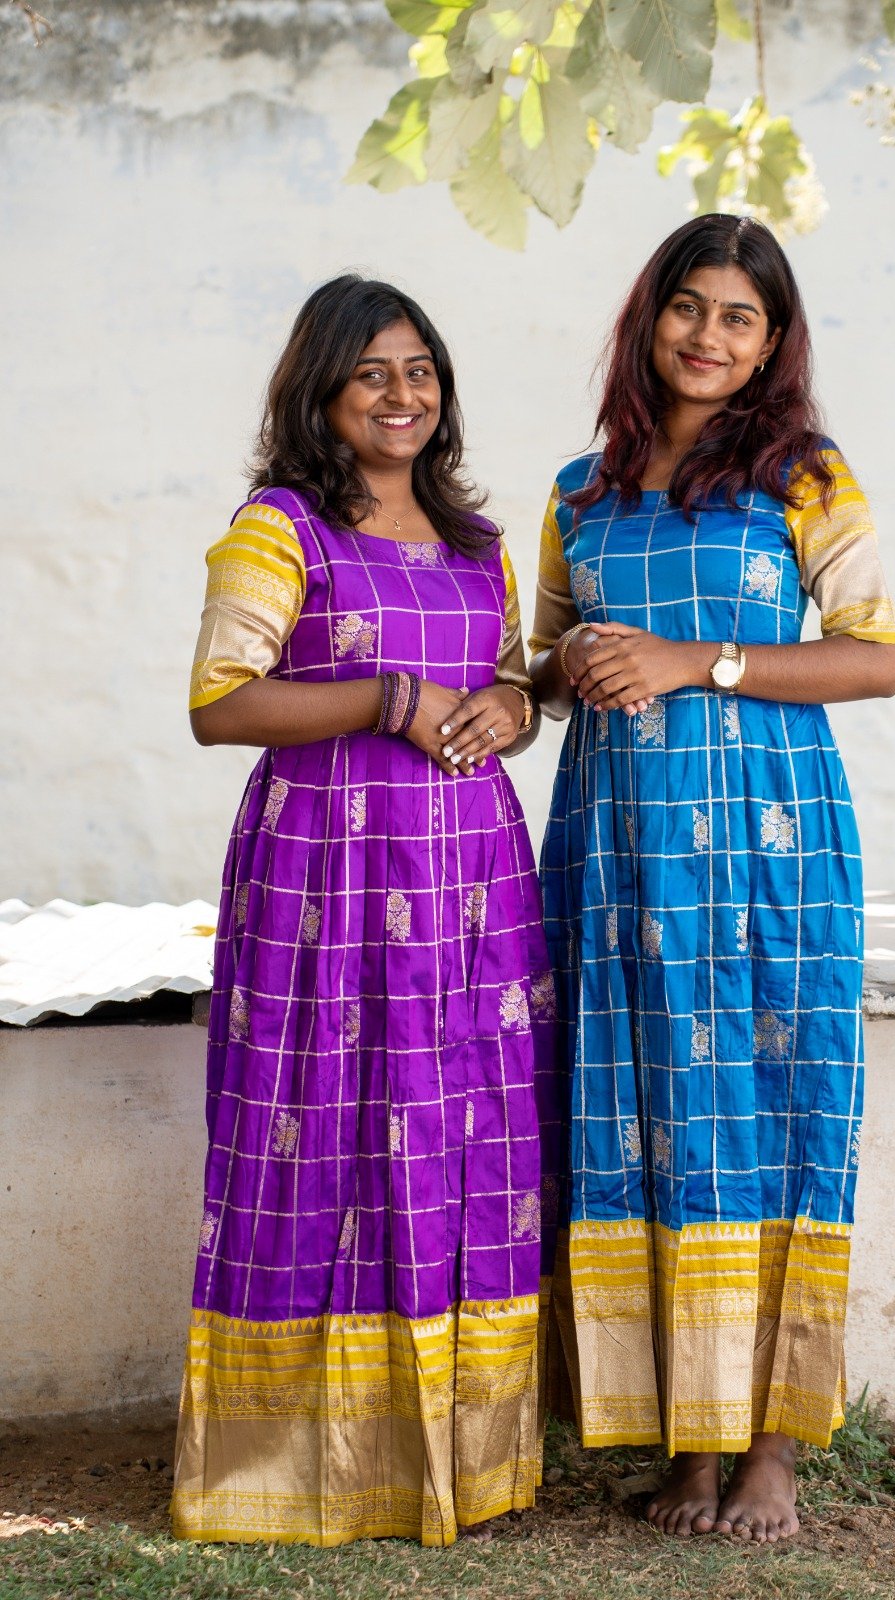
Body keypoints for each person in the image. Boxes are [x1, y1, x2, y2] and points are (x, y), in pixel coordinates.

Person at [528, 215, 895, 1545]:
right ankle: (685, 1440)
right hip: (618, 843)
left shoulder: (803, 476)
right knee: (646, 1111)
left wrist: (696, 661)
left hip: (765, 841)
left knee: (770, 1105)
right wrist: (548, 676)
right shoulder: (580, 490)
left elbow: (873, 659)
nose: (707, 334)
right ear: (649, 320)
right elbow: (546, 669)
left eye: (739, 317)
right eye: (687, 307)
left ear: (770, 345)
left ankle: (772, 1453)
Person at [171, 275, 558, 1549]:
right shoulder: (279, 527)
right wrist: (386, 700)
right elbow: (222, 701)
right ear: (322, 395)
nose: (402, 396)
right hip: (324, 887)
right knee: (319, 1134)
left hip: (470, 888)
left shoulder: (478, 541)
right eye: (372, 375)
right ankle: (295, 1466)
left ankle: (459, 1453)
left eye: (420, 371)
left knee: (462, 1136)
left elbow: (503, 684)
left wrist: (513, 707)